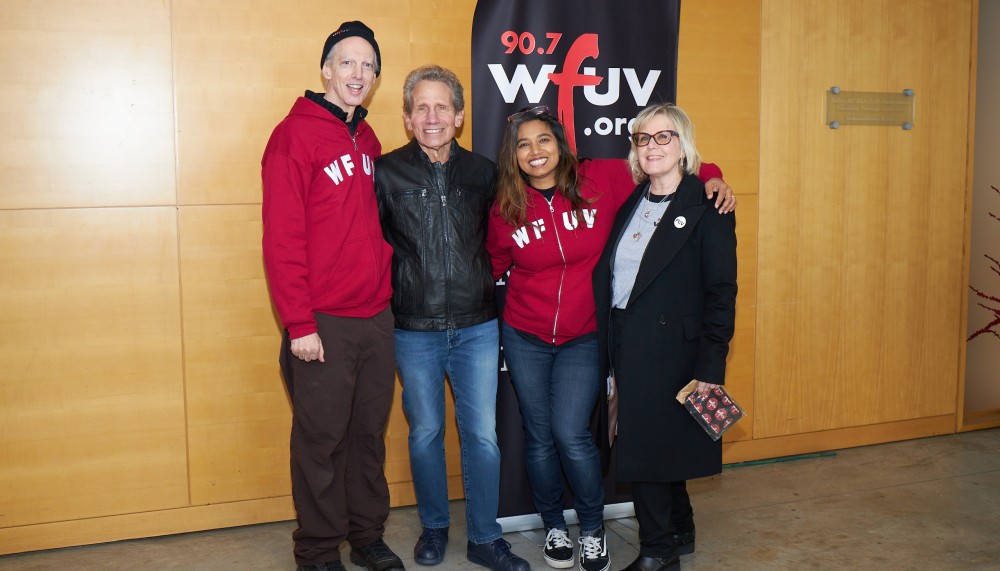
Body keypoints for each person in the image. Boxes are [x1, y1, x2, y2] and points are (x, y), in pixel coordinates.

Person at [486, 106, 734, 571]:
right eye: (523, 144)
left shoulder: (600, 179)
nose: (535, 152)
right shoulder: (506, 205)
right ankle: (554, 525)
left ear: (561, 143)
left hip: (586, 336)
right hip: (526, 334)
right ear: (512, 155)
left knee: (572, 435)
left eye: (544, 140)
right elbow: (495, 265)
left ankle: (593, 528)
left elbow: (672, 167)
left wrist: (714, 178)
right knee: (539, 438)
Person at [261, 21, 405, 571]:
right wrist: (299, 324)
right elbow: (282, 238)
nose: (359, 74)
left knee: (368, 437)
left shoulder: (366, 138)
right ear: (326, 68)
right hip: (322, 322)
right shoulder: (293, 136)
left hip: (375, 317)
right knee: (321, 443)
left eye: (369, 66)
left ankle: (366, 534)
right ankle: (319, 551)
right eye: (348, 62)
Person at [374, 65, 530, 571]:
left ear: (459, 116)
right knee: (424, 434)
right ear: (407, 117)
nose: (432, 116)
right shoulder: (386, 173)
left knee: (482, 435)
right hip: (413, 328)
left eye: (442, 106)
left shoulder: (485, 172)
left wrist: (707, 175)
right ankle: (435, 527)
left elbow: (557, 184)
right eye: (421, 107)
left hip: (477, 326)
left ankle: (485, 538)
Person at [593, 103, 738, 571]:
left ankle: (657, 552)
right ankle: (680, 529)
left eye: (664, 137)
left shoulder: (707, 205)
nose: (652, 147)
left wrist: (710, 368)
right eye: (643, 138)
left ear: (683, 146)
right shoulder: (634, 200)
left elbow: (721, 294)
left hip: (674, 350)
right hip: (625, 341)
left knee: (647, 449)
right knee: (658, 443)